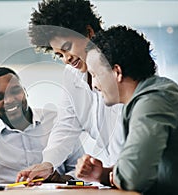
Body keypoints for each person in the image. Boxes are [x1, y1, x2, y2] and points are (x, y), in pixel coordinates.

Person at [76, 25, 178, 195]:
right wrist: (101, 174)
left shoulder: (152, 102)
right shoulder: (154, 94)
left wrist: (113, 175)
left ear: (117, 72)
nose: (93, 85)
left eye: (94, 75)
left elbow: (133, 178)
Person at [16, 0, 124, 183]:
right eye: (59, 55)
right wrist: (48, 164)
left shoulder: (122, 67)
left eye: (67, 48)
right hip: (116, 177)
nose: (66, 59)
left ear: (89, 32)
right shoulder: (73, 75)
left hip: (139, 175)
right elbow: (66, 125)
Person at [0, 67, 84, 184]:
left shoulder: (58, 121)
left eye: (14, 91)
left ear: (25, 92)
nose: (9, 100)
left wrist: (63, 179)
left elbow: (80, 170)